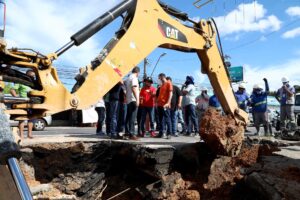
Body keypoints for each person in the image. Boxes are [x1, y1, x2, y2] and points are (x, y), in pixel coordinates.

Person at [10, 70, 36, 139]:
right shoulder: (21, 82)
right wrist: (16, 98)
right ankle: (21, 135)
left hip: (32, 103)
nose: (33, 77)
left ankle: (29, 135)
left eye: (33, 76)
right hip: (23, 102)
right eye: (31, 76)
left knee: (31, 119)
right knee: (22, 119)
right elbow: (12, 90)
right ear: (27, 75)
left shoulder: (34, 84)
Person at [125, 66, 140, 140]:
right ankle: (132, 134)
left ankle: (127, 132)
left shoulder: (128, 78)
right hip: (133, 99)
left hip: (128, 100)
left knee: (128, 117)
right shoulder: (134, 78)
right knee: (132, 118)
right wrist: (137, 99)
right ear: (138, 72)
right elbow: (134, 88)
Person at [156, 73, 173, 139]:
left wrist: (168, 103)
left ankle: (169, 134)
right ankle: (161, 133)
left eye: (159, 78)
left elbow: (171, 94)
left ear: (162, 77)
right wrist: (157, 101)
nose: (159, 79)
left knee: (167, 119)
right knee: (160, 119)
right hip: (160, 105)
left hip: (165, 105)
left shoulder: (168, 83)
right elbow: (161, 95)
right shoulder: (162, 85)